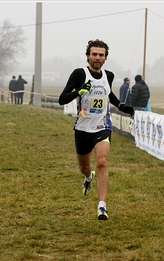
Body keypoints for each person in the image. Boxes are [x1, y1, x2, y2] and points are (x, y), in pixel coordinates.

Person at [58, 39, 135, 220]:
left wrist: (122, 106)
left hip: (103, 125)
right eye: (94, 54)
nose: (97, 58)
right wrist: (79, 91)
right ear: (88, 56)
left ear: (106, 58)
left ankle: (102, 206)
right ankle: (88, 178)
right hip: (83, 128)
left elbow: (108, 94)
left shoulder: (109, 75)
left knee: (101, 161)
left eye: (101, 55)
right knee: (84, 167)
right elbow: (62, 99)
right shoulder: (79, 74)